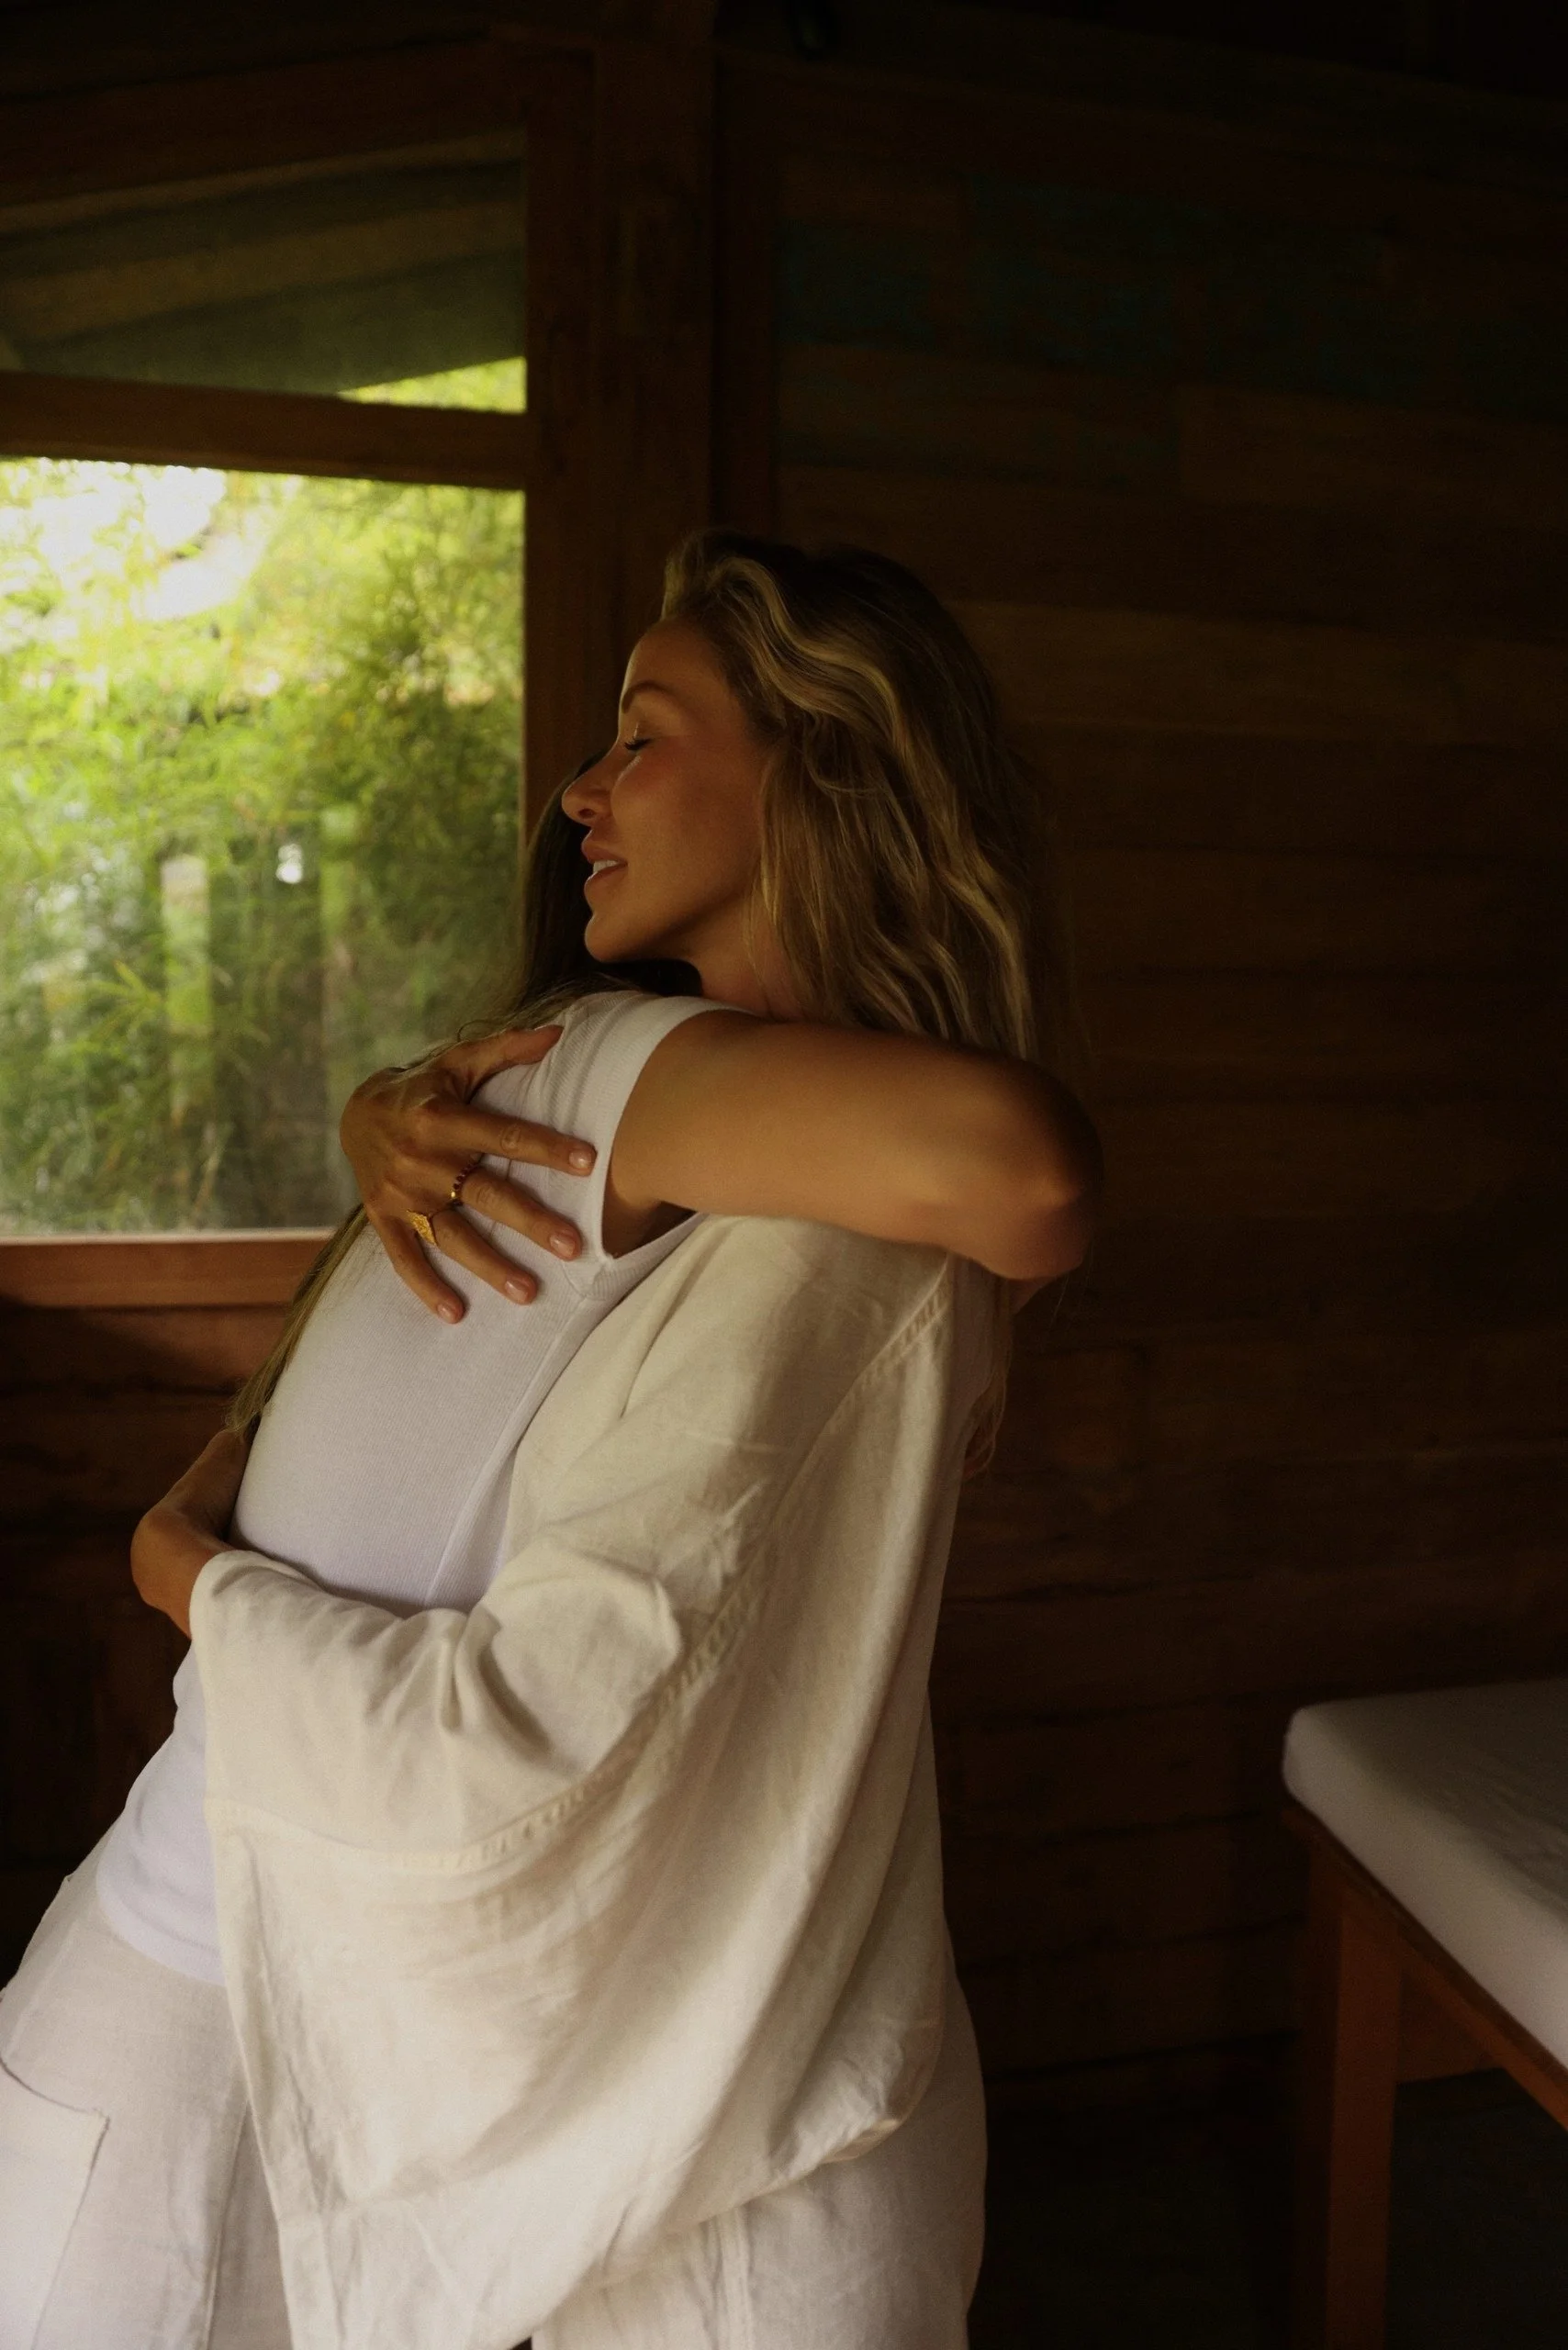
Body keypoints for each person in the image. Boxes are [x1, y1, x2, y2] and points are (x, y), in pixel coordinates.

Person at [0, 533, 1099, 2350]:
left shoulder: (638, 1099)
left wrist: (184, 1565)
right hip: (194, 1986)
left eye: (641, 736)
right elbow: (1019, 1174)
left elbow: (1022, 1169)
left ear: (818, 767)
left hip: (363, 2008)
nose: (575, 790)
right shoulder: (586, 1067)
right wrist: (191, 1569)